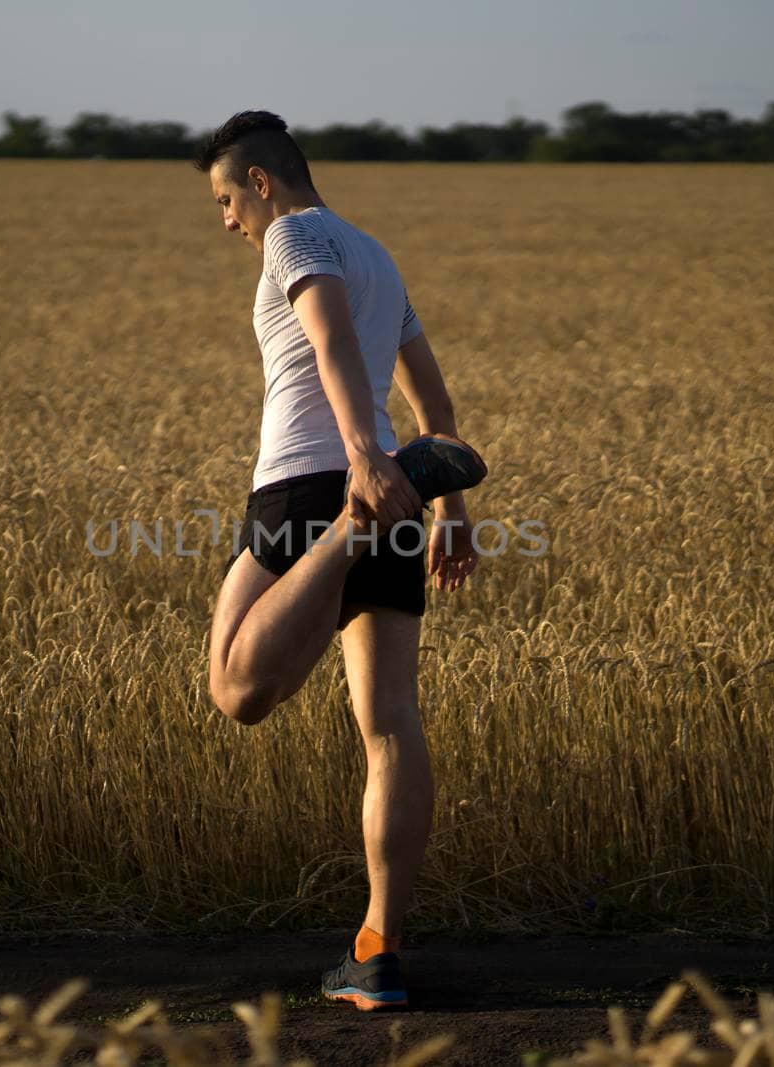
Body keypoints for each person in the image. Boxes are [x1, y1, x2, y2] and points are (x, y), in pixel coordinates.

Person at [194, 110, 487, 1012]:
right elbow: (434, 402)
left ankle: (345, 535)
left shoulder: (295, 234)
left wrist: (361, 463)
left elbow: (325, 337)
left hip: (320, 487)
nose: (228, 219)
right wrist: (449, 505)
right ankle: (377, 953)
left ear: (264, 181)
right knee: (390, 721)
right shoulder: (378, 255)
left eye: (226, 197)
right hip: (401, 488)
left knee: (238, 688)